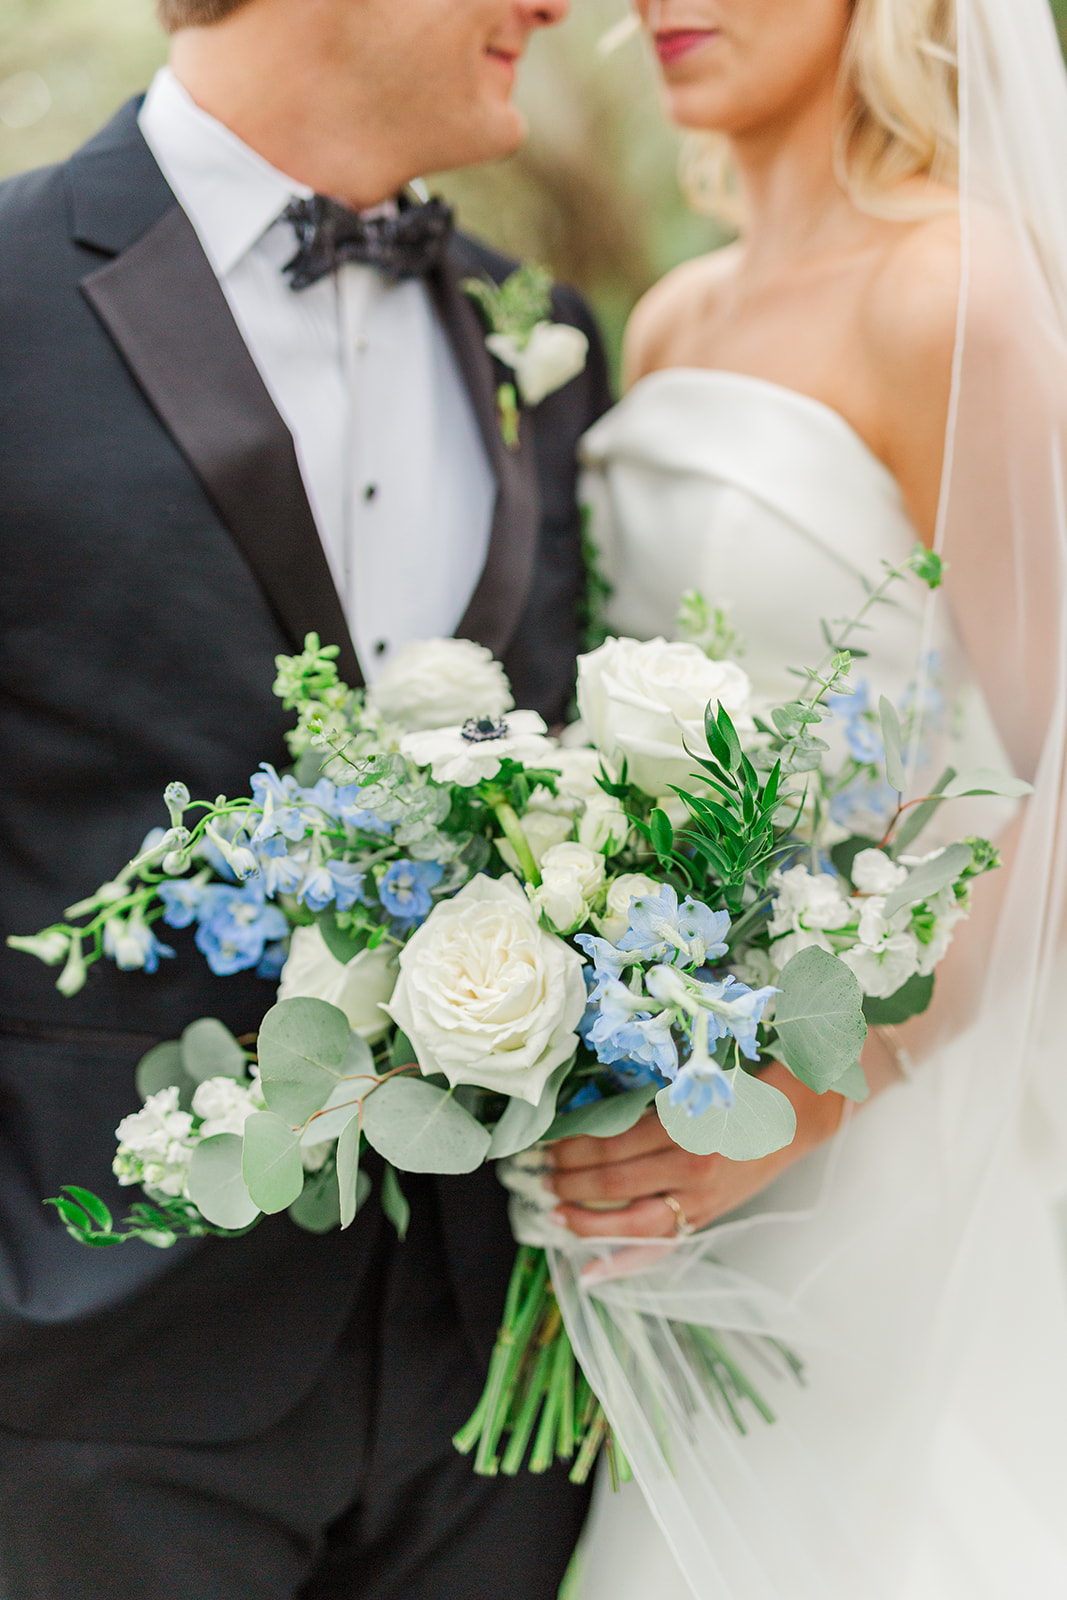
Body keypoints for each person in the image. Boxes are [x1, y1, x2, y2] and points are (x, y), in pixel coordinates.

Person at [0, 2, 611, 1595]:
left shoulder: (538, 339)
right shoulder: (6, 298)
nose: (555, 8)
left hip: (501, 1400)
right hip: (91, 1387)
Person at [544, 0, 1067, 1594]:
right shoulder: (673, 323)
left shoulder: (954, 292)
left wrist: (831, 1081)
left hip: (878, 1139)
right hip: (669, 1139)